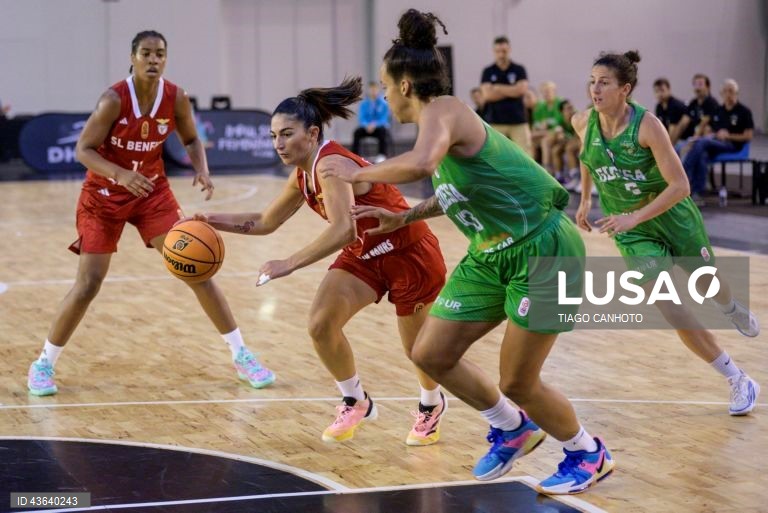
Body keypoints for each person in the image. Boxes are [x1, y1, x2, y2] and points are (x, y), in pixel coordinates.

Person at [322, 9, 613, 495]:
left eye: (386, 86)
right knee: (430, 352)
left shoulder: (447, 109)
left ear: (407, 85)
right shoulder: (439, 122)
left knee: (519, 379)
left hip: (542, 249)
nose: (385, 94)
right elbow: (457, 192)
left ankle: (587, 452)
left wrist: (358, 173)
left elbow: (421, 162)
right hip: (491, 253)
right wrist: (404, 217)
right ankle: (512, 427)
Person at [184, 76, 448, 446]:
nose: (278, 144)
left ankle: (431, 403)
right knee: (321, 324)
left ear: (311, 134)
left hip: (408, 253)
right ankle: (355, 400)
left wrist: (289, 263)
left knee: (418, 351)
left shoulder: (330, 164)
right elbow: (266, 221)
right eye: (273, 136)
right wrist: (209, 221)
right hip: (366, 255)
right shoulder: (302, 175)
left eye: (286, 134)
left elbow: (343, 229)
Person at [26, 30, 275, 397]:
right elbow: (83, 149)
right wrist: (121, 174)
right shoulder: (113, 99)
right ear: (133, 57)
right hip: (105, 195)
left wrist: (201, 167)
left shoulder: (175, 97)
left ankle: (242, 355)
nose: (154, 60)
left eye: (160, 54)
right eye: (146, 53)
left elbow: (190, 139)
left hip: (151, 194)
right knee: (89, 283)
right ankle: (43, 363)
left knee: (195, 267)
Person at [572, 50, 760, 416]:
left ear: (624, 89)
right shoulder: (583, 121)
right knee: (670, 305)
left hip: (672, 217)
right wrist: (584, 198)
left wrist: (636, 216)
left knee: (709, 285)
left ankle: (731, 308)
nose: (595, 88)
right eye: (592, 80)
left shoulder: (647, 126)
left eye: (604, 82)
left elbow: (681, 186)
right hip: (630, 230)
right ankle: (737, 378)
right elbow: (586, 157)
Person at [682, 79, 754, 204]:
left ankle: (683, 173)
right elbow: (709, 128)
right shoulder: (719, 110)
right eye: (725, 91)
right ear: (721, 93)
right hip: (715, 143)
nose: (728, 94)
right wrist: (711, 134)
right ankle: (695, 193)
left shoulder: (744, 111)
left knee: (702, 143)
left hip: (733, 145)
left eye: (731, 91)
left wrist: (728, 136)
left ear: (737, 93)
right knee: (701, 154)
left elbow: (748, 136)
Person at [480, 36, 532, 155]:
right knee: (496, 154)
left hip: (518, 121)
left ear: (509, 50)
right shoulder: (488, 71)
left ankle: (524, 175)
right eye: (498, 51)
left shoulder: (519, 69)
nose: (501, 54)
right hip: (496, 121)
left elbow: (522, 90)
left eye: (504, 51)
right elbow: (487, 95)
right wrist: (512, 90)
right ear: (494, 52)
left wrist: (497, 87)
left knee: (525, 155)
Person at [351, 81, 391, 162]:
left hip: (379, 128)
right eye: (371, 89)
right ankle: (355, 156)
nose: (373, 91)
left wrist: (375, 125)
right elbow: (362, 118)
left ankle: (382, 155)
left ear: (378, 90)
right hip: (367, 128)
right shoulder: (364, 104)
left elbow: (384, 118)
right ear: (368, 91)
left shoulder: (384, 103)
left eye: (375, 89)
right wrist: (367, 125)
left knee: (383, 132)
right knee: (357, 132)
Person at [652, 78, 687, 144]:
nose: (659, 94)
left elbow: (673, 133)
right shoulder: (659, 107)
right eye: (657, 91)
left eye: (662, 90)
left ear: (669, 90)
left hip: (684, 140)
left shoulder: (675, 106)